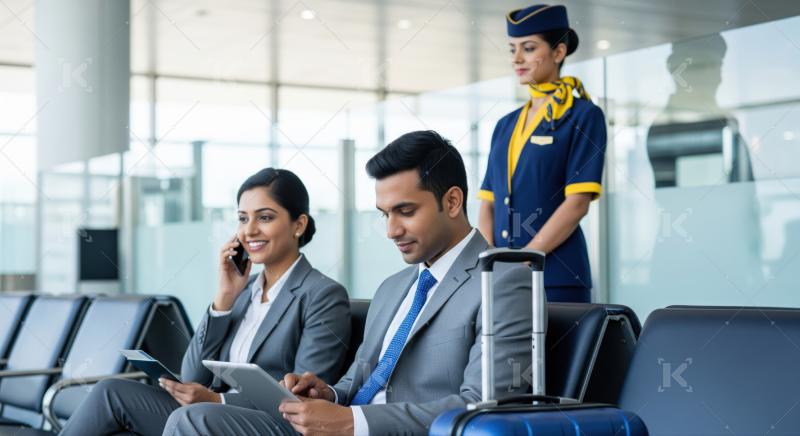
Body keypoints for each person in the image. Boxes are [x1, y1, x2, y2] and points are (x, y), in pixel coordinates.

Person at [162, 131, 533, 436]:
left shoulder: (502, 280)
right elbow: (361, 378)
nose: (391, 230)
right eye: (385, 214)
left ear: (452, 201)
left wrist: (354, 422)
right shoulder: (394, 287)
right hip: (339, 428)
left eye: (406, 211)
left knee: (193, 419)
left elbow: (488, 407)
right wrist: (328, 394)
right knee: (185, 417)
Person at [59, 168, 351, 435]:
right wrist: (223, 299)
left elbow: (303, 396)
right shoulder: (242, 290)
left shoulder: (322, 294)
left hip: (273, 423)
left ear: (298, 225)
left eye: (265, 217)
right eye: (242, 218)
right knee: (109, 391)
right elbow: (192, 374)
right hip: (209, 413)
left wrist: (218, 399)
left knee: (189, 418)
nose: (249, 231)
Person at [478, 4, 607, 303]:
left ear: (558, 52)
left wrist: (526, 260)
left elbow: (577, 204)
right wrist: (488, 262)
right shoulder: (504, 125)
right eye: (512, 50)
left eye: (528, 48)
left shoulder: (584, 116)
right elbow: (489, 203)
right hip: (500, 278)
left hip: (557, 277)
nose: (517, 59)